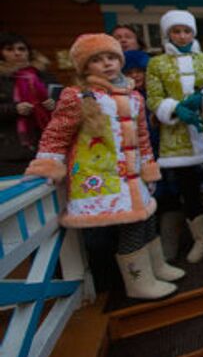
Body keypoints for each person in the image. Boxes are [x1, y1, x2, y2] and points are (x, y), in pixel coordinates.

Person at [24, 33, 183, 300]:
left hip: (134, 177)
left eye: (112, 57)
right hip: (101, 176)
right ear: (85, 67)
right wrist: (49, 163)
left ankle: (156, 266)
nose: (107, 64)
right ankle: (139, 282)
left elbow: (142, 137)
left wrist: (148, 166)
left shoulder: (134, 97)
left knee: (147, 218)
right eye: (97, 60)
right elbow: (57, 132)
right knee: (130, 226)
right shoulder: (77, 96)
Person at [146, 10, 203, 263]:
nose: (182, 36)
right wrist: (174, 108)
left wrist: (202, 97)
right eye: (176, 31)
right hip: (177, 138)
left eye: (187, 31)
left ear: (194, 33)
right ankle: (201, 240)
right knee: (189, 190)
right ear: (168, 34)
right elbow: (153, 98)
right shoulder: (157, 63)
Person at [0, 33, 56, 175]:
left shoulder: (43, 76)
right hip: (9, 151)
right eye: (10, 49)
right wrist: (13, 109)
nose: (17, 53)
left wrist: (53, 105)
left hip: (45, 146)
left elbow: (64, 103)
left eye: (21, 49)